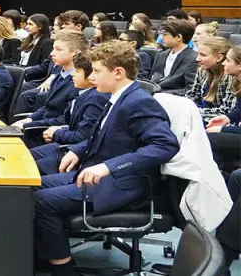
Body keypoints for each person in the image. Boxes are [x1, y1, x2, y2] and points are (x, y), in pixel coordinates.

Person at [33, 40, 179, 276]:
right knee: (28, 186)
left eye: (98, 71)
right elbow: (101, 134)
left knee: (42, 201)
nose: (93, 77)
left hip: (124, 186)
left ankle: (62, 270)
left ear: (118, 72)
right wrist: (77, 150)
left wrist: (109, 167)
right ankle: (42, 255)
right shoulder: (116, 96)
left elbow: (165, 145)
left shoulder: (139, 102)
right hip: (99, 176)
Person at [29, 53, 110, 175]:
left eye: (77, 71)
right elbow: (70, 122)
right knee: (26, 156)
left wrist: (57, 133)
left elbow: (83, 136)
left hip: (74, 150)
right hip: (65, 142)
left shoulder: (96, 98)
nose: (72, 74)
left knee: (31, 168)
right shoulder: (81, 93)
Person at [13, 31, 87, 126]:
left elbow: (65, 119)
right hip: (43, 126)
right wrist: (29, 119)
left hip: (52, 132)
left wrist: (31, 124)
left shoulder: (79, 82)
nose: (52, 53)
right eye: (53, 49)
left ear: (76, 53)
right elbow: (47, 107)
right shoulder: (59, 76)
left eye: (58, 50)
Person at [205, 45, 241, 176]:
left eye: (229, 60)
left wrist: (223, 129)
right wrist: (227, 118)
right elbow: (239, 111)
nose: (224, 63)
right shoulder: (237, 81)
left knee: (207, 138)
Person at [186, 36, 235, 122]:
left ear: (219, 58)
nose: (197, 59)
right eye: (198, 54)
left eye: (203, 55)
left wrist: (195, 112)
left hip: (218, 121)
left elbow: (227, 110)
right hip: (200, 115)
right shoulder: (202, 70)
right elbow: (193, 94)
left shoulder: (231, 76)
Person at [150, 19, 198, 95]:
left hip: (173, 98)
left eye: (165, 34)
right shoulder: (161, 55)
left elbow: (190, 88)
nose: (162, 37)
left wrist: (161, 94)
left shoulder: (193, 58)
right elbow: (152, 78)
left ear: (178, 37)